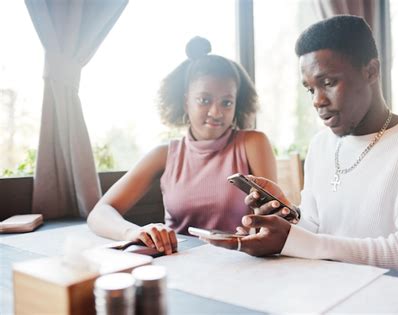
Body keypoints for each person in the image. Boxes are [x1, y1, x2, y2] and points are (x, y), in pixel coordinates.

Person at [207, 15, 398, 279]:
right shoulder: (321, 145)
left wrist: (294, 241)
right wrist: (290, 218)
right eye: (310, 89)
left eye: (328, 82)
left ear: (371, 71)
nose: (317, 101)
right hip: (331, 293)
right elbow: (317, 230)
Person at [87, 37, 277, 256]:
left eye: (226, 102)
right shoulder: (164, 155)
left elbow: (275, 217)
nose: (216, 112)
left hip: (242, 262)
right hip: (177, 264)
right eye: (204, 100)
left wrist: (260, 228)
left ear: (237, 104)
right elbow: (100, 213)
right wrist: (133, 232)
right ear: (186, 101)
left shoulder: (252, 143)